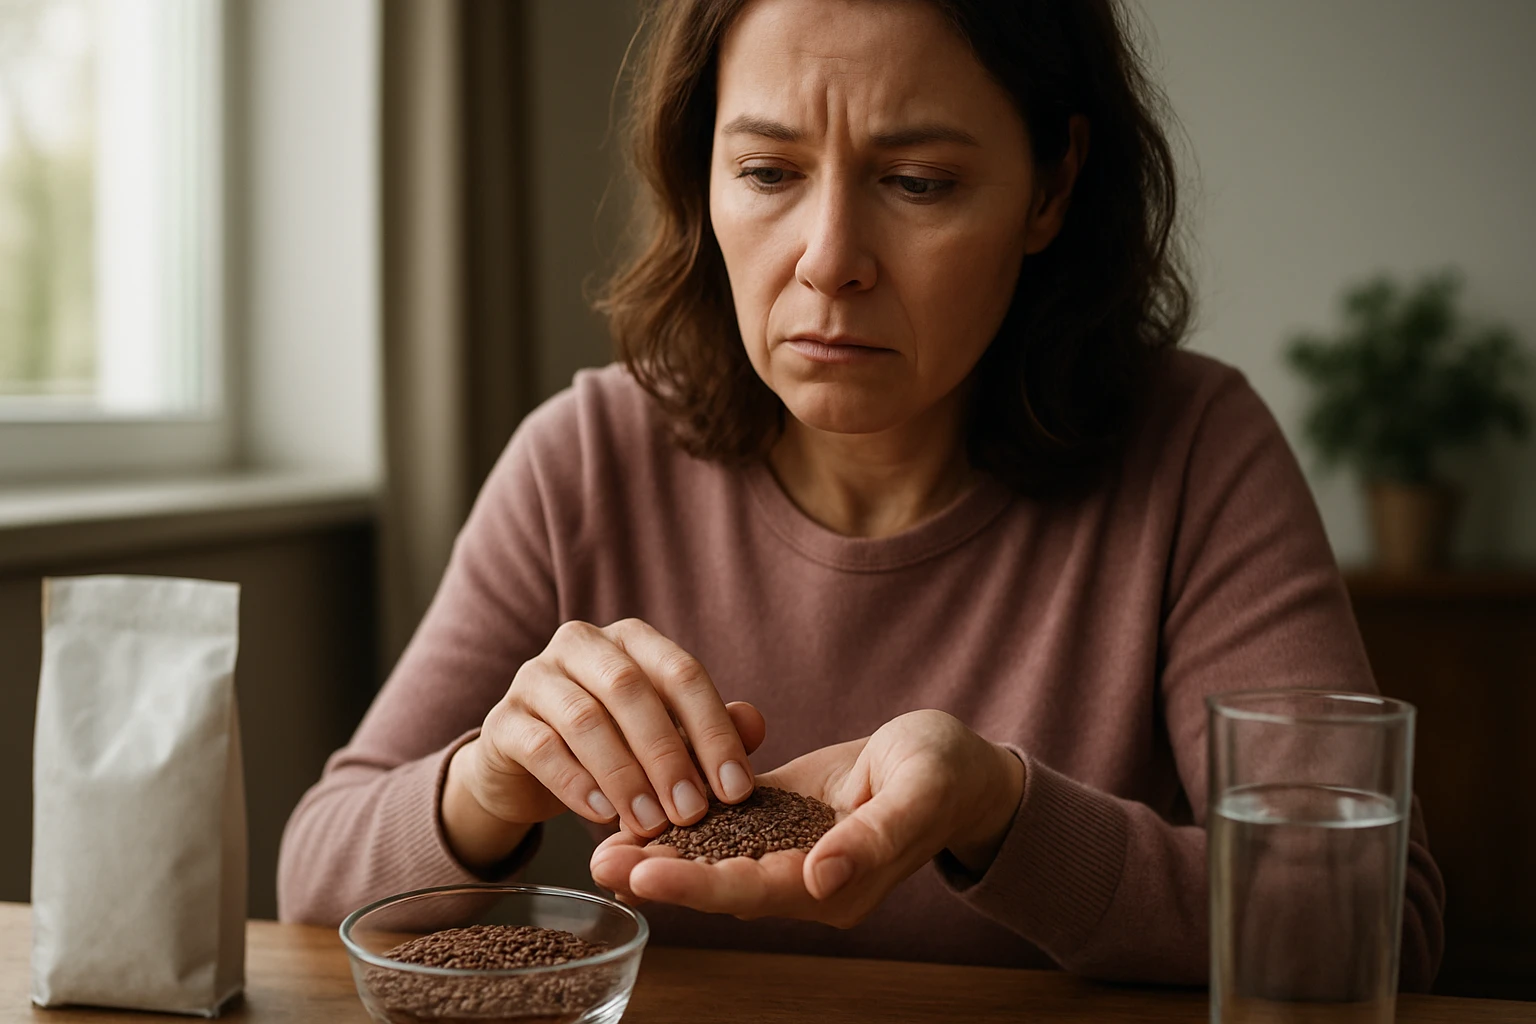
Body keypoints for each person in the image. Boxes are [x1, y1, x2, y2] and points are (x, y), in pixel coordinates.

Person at [279, 0, 1445, 987]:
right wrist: (486, 780)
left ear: (1052, 188)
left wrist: (998, 808)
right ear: (705, 178)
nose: (830, 255)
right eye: (768, 172)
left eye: (920, 180)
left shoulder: (1195, 451)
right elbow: (311, 871)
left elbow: (1374, 919)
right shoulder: (586, 456)